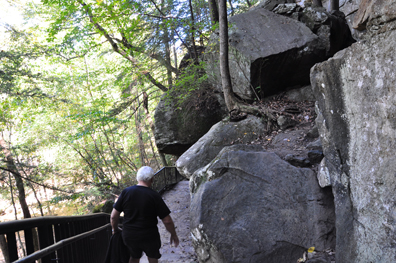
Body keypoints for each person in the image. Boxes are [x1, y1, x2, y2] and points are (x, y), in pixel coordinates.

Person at [110, 166, 179, 263]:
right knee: (152, 257)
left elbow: (113, 216)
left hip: (130, 234)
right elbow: (167, 220)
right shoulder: (154, 195)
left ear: (138, 178)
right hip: (149, 235)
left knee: (134, 257)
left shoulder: (126, 192)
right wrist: (173, 234)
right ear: (152, 179)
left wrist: (115, 229)